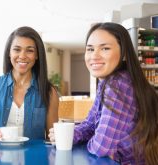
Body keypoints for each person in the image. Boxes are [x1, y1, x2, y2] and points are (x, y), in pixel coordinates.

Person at [49, 22, 158, 164]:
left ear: (124, 53)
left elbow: (101, 148)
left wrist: (83, 138)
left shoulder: (118, 84)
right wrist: (70, 134)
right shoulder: (106, 83)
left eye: (105, 48)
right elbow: (89, 124)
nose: (94, 56)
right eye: (90, 49)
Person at [0, 26, 59, 140]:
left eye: (30, 50)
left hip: (35, 156)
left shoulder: (49, 91)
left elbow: (51, 137)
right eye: (17, 49)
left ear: (37, 55)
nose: (22, 56)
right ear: (9, 53)